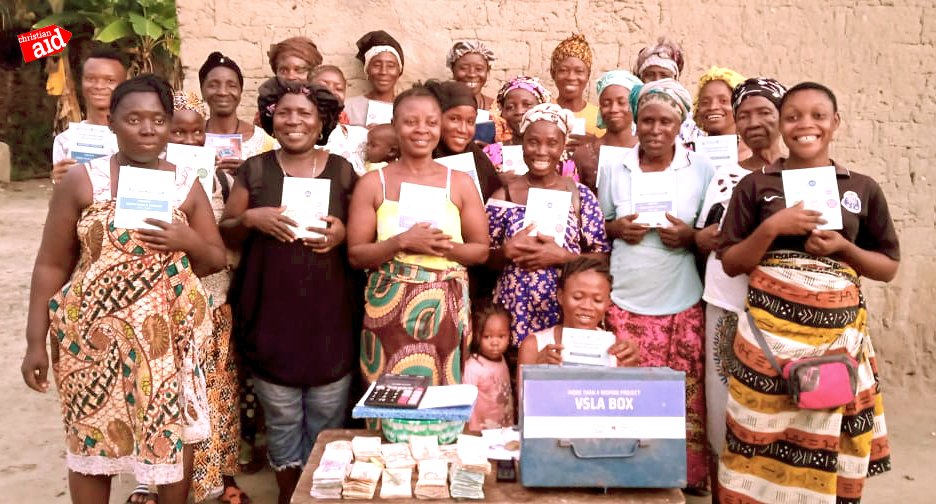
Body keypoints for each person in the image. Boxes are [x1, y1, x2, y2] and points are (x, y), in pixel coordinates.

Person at [21, 74, 225, 503]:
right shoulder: (82, 180)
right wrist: (34, 341)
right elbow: (51, 264)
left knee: (173, 438)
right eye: (134, 118)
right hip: (91, 341)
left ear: (170, 125)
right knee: (92, 441)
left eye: (158, 119)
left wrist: (185, 241)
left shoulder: (186, 182)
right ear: (111, 121)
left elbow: (214, 259)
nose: (147, 129)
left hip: (170, 341)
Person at [717, 82, 898, 504]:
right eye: (793, 116)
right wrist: (772, 228)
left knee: (826, 450)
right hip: (767, 349)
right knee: (754, 439)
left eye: (818, 115)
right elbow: (730, 262)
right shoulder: (755, 185)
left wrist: (844, 249)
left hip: (838, 348)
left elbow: (888, 266)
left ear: (835, 123)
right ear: (781, 124)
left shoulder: (862, 188)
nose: (805, 125)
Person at [220, 80, 355, 504]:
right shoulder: (255, 170)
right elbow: (225, 229)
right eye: (284, 113)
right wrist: (251, 219)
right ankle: (287, 497)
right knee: (280, 419)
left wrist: (344, 232)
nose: (293, 120)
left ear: (321, 125)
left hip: (328, 318)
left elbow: (365, 232)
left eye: (305, 114)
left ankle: (320, 495)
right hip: (271, 316)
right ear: (270, 120)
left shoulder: (343, 171)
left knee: (327, 419)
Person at [598, 78, 715, 492]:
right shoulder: (615, 167)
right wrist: (618, 229)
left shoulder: (701, 169)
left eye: (665, 121)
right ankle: (626, 473)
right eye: (646, 119)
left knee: (681, 396)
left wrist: (688, 237)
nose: (654, 129)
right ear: (636, 119)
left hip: (680, 299)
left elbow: (708, 232)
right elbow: (602, 224)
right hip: (626, 298)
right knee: (628, 395)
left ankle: (683, 477)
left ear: (680, 124)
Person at [346, 83, 490, 389]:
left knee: (442, 398)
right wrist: (401, 242)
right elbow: (356, 255)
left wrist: (443, 247)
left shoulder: (460, 183)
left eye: (431, 122)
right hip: (389, 309)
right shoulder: (374, 183)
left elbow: (481, 251)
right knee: (388, 397)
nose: (421, 130)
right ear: (395, 126)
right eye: (411, 122)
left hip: (446, 311)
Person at [693, 78, 787, 472]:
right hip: (725, 304)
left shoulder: (798, 175)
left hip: (781, 311)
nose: (753, 122)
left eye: (764, 112)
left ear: (783, 116)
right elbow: (700, 237)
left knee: (777, 410)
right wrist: (705, 237)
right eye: (744, 114)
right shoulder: (724, 174)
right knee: (723, 408)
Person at [168, 90, 247, 504]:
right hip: (164, 307)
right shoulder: (142, 177)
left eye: (195, 132)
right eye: (177, 130)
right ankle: (162, 481)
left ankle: (219, 476)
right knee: (170, 396)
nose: (185, 139)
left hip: (213, 301)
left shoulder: (219, 178)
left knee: (216, 391)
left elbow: (231, 243)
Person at [487, 103, 610, 350]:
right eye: (533, 142)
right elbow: (484, 260)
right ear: (522, 143)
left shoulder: (580, 196)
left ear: (563, 146)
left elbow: (602, 259)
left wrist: (564, 258)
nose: (541, 151)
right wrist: (505, 252)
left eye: (552, 143)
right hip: (514, 314)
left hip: (567, 315)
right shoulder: (504, 196)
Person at [517, 257, 639, 372]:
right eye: (577, 297)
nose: (586, 306)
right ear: (560, 296)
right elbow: (523, 393)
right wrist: (537, 371)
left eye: (597, 300)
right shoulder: (534, 346)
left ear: (608, 303)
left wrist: (630, 368)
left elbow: (626, 392)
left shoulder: (617, 350)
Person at [51, 46, 128, 183]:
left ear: (124, 85)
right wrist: (59, 182)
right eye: (91, 79)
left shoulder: (139, 138)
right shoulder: (64, 141)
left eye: (109, 80)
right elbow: (61, 202)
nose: (98, 86)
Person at [199, 51, 277, 175]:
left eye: (232, 86)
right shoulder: (190, 139)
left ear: (240, 91)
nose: (223, 92)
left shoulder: (264, 143)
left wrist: (251, 174)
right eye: (213, 85)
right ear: (202, 91)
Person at [483, 76, 576, 179]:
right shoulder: (491, 154)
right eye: (510, 107)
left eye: (527, 105)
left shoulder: (561, 158)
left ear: (542, 107)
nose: (519, 112)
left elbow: (572, 190)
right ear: (502, 112)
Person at [430, 80, 502, 201]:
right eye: (454, 119)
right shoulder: (421, 158)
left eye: (470, 121)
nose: (463, 130)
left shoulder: (479, 160)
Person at [572, 70, 642, 193]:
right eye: (606, 103)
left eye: (622, 102)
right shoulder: (584, 154)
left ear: (635, 105)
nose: (614, 109)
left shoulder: (648, 152)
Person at [633, 36, 702, 147]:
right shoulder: (629, 118)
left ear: (675, 79)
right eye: (649, 75)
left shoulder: (690, 125)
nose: (657, 81)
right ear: (641, 79)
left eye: (664, 75)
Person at [463, 302, 514, 431]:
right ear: (477, 336)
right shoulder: (474, 367)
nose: (495, 342)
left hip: (504, 430)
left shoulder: (502, 359)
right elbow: (466, 403)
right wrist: (471, 432)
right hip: (480, 433)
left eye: (501, 336)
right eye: (487, 337)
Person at [312, 65, 369, 176]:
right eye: (323, 86)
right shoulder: (295, 135)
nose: (331, 92)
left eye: (338, 89)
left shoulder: (360, 136)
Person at [345, 30, 404, 127]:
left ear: (399, 71)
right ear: (367, 70)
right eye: (377, 65)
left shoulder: (408, 109)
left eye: (391, 66)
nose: (383, 72)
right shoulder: (348, 108)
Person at [550, 33, 603, 138]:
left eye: (579, 71)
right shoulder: (542, 111)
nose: (571, 77)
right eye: (563, 70)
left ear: (588, 75)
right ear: (553, 73)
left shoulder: (600, 118)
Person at [693, 66, 750, 160]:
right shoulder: (688, 157)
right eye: (705, 103)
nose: (712, 107)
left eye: (723, 101)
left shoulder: (754, 156)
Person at [446, 40, 497, 111]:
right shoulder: (442, 106)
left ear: (487, 72)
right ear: (453, 70)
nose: (472, 74)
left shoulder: (496, 109)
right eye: (464, 68)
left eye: (479, 69)